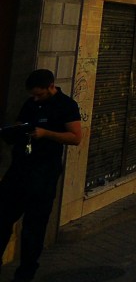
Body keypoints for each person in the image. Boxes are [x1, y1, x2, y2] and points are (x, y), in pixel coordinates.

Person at [0, 69, 82, 281]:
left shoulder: (66, 106)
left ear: (51, 86)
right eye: (33, 95)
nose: (36, 98)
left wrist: (46, 134)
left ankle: (25, 274)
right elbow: (21, 122)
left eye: (40, 94)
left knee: (33, 228)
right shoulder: (31, 104)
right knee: (2, 218)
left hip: (44, 174)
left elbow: (75, 137)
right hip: (19, 170)